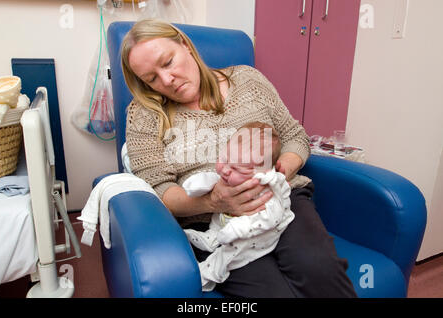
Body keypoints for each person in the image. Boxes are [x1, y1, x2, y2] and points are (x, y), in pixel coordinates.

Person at [122, 19, 357, 297]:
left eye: (168, 62)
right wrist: (212, 200)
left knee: (319, 269)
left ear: (185, 45)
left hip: (281, 201)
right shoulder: (143, 114)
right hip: (215, 222)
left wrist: (282, 170)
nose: (166, 80)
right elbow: (157, 188)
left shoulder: (248, 80)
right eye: (151, 78)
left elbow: (294, 135)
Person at [182, 122, 294, 291]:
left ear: (262, 172)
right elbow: (214, 180)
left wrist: (238, 229)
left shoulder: (268, 191)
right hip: (224, 223)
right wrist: (198, 185)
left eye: (236, 168)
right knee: (218, 225)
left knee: (230, 253)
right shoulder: (232, 173)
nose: (225, 170)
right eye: (224, 159)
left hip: (254, 236)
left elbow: (270, 218)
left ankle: (207, 273)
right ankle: (212, 237)